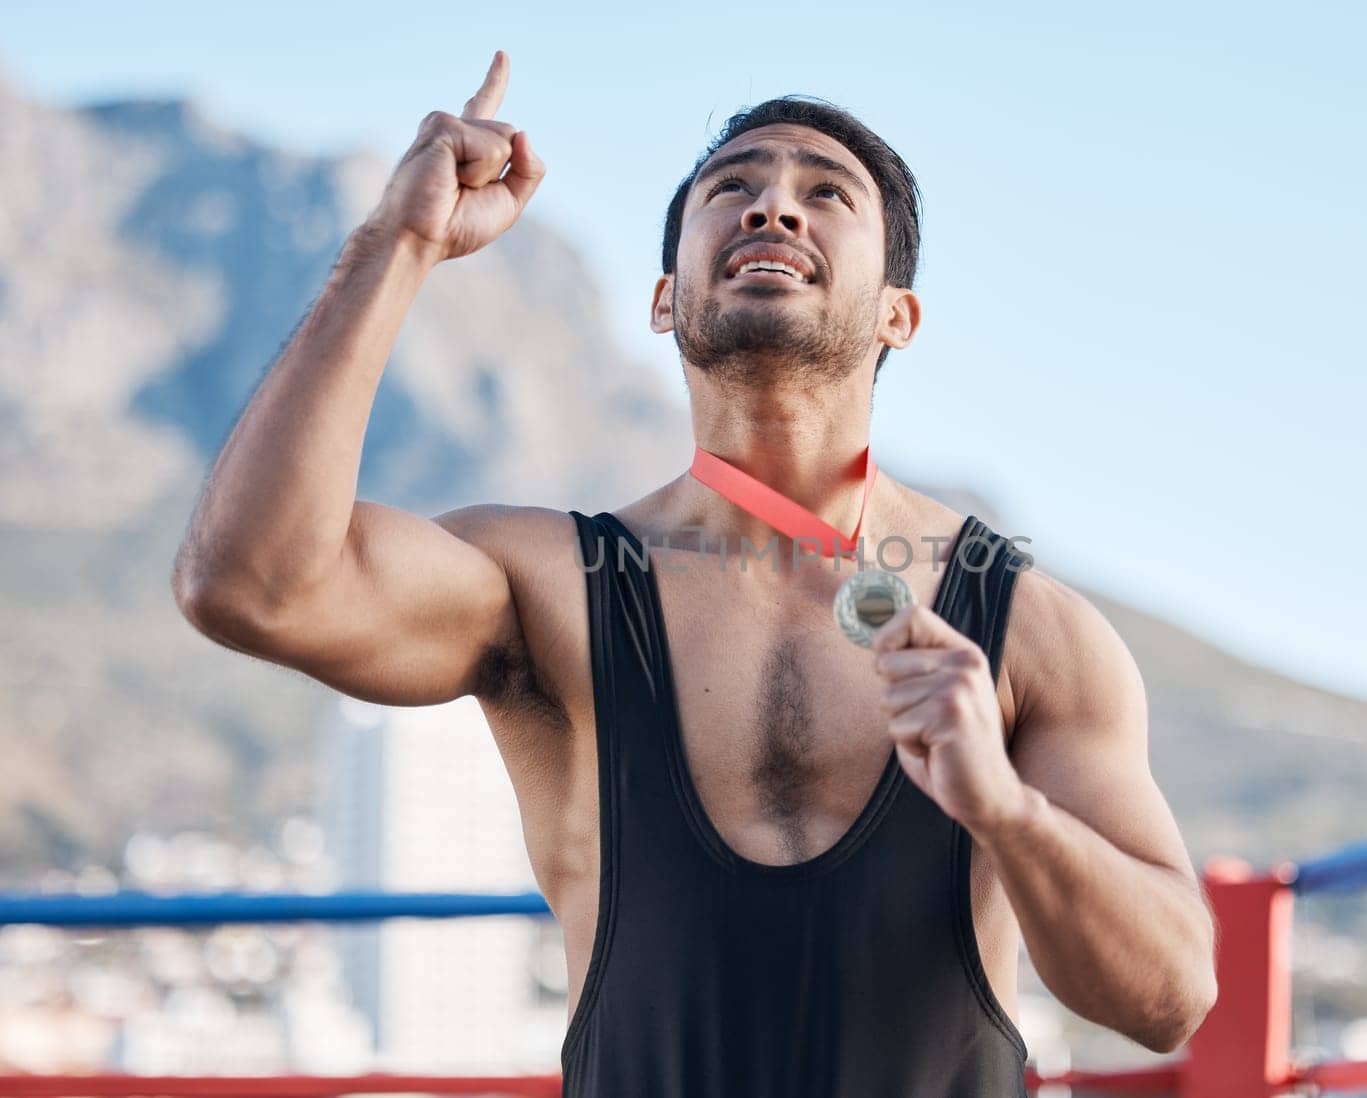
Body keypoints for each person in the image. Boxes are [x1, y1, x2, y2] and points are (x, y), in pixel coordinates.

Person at [172, 49, 1217, 1096]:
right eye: (734, 189)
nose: (773, 208)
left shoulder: (1026, 631)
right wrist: (394, 244)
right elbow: (248, 584)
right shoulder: (545, 585)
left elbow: (1167, 998)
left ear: (898, 314)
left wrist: (1005, 810)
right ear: (666, 298)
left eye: (824, 194)